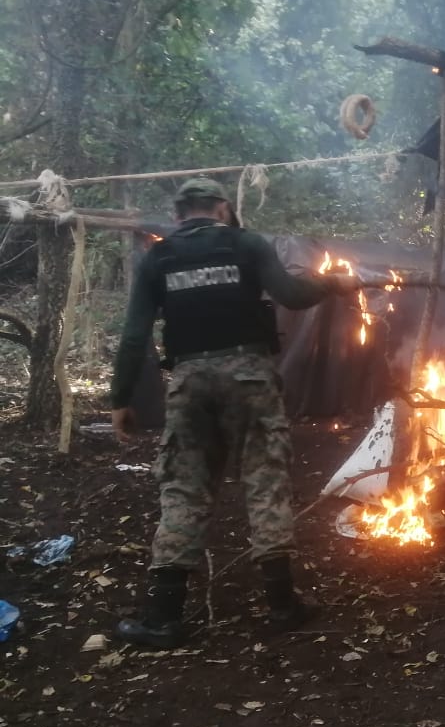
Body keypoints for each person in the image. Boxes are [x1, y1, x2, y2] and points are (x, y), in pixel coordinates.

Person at [110, 178, 360, 647]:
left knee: (185, 487)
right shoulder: (246, 244)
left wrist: (120, 398)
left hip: (190, 381)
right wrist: (335, 282)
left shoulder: (158, 258)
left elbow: (133, 334)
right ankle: (283, 605)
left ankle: (163, 616)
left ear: (179, 212)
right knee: (265, 478)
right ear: (223, 208)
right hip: (250, 377)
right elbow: (292, 294)